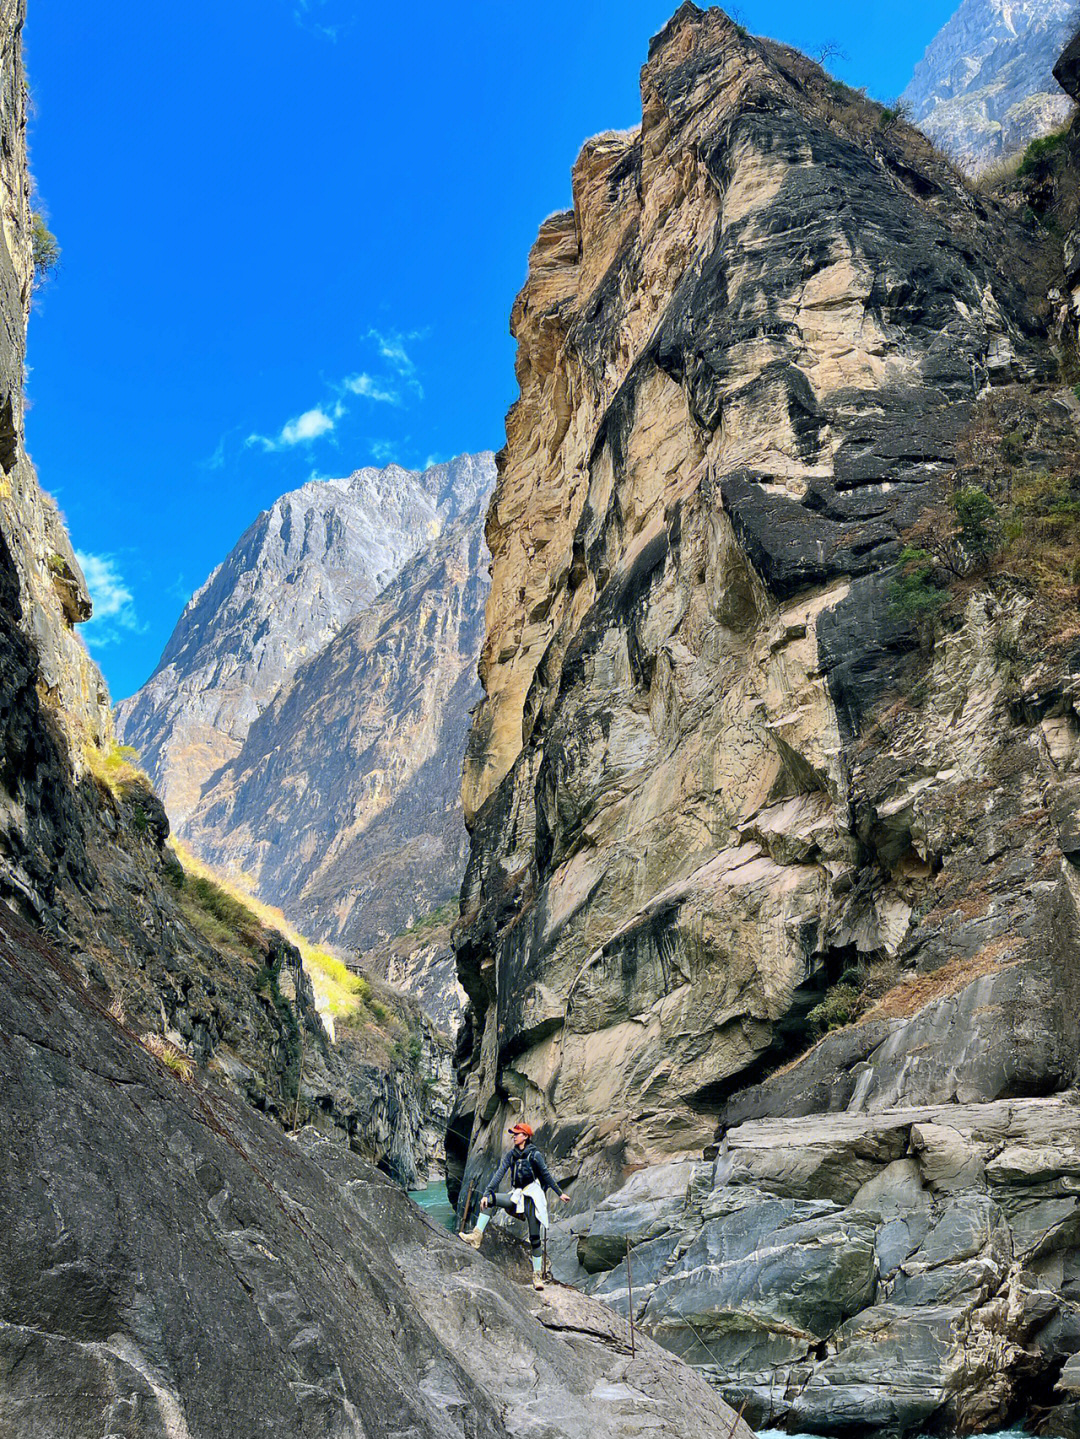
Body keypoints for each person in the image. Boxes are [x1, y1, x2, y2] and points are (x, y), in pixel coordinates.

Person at [461, 1121, 571, 1290]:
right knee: (490, 1201)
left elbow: (545, 1175)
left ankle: (537, 1277)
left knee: (535, 1238)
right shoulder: (511, 1155)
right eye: (513, 1134)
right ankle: (476, 1236)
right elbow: (500, 1173)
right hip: (516, 1194)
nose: (514, 1136)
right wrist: (487, 1193)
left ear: (525, 1136)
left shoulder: (535, 1155)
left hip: (532, 1196)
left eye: (517, 1134)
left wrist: (559, 1193)